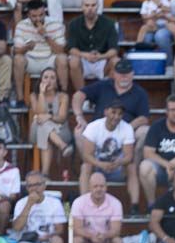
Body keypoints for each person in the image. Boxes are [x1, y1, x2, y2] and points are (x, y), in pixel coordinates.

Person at [74, 62, 152, 202]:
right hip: (97, 134)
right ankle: (84, 202)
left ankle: (134, 202)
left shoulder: (140, 92)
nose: (124, 77)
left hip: (125, 138)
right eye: (121, 74)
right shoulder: (103, 86)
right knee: (79, 132)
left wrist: (124, 127)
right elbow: (78, 95)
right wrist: (79, 116)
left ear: (132, 74)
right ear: (114, 74)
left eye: (127, 74)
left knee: (144, 133)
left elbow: (144, 118)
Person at [80, 99, 139, 207]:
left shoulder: (127, 128)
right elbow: (86, 155)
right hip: (97, 168)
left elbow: (129, 156)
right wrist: (100, 164)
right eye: (113, 112)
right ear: (106, 112)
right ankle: (84, 204)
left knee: (132, 167)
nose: (116, 117)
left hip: (117, 167)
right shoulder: (93, 127)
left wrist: (118, 163)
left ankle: (134, 206)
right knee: (85, 166)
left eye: (120, 114)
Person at [11, 171, 66, 243]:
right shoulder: (21, 203)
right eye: (30, 186)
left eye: (37, 184)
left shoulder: (54, 203)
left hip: (48, 239)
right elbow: (17, 228)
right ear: (26, 188)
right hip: (28, 240)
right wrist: (29, 204)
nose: (34, 188)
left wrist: (49, 236)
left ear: (44, 185)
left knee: (57, 241)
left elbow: (60, 229)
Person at [14, 0, 68, 96]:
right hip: (31, 60)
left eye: (41, 15)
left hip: (49, 59)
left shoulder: (55, 24)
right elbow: (16, 51)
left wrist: (46, 36)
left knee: (63, 59)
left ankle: (63, 95)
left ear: (45, 12)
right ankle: (20, 99)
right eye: (34, 16)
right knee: (18, 59)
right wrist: (26, 47)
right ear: (28, 15)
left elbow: (60, 50)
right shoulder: (21, 25)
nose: (38, 19)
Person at [72, 170, 124, 243]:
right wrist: (91, 236)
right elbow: (77, 229)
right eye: (95, 186)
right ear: (89, 188)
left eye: (101, 186)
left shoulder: (115, 203)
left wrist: (104, 236)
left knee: (118, 242)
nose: (99, 189)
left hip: (106, 239)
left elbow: (116, 230)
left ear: (106, 187)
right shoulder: (79, 202)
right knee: (76, 242)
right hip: (86, 239)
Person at [29, 66, 73, 178]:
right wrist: (42, 94)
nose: (49, 80)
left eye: (52, 78)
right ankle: (63, 147)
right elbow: (39, 112)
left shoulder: (63, 96)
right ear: (41, 80)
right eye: (46, 77)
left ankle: (45, 174)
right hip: (36, 131)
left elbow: (62, 118)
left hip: (61, 131)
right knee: (41, 123)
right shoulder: (34, 96)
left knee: (44, 131)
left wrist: (48, 116)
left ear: (57, 82)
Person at [67, 0, 119, 88]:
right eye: (87, 5)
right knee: (73, 61)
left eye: (93, 5)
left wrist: (100, 56)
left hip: (102, 59)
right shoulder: (74, 24)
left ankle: (106, 96)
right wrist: (85, 55)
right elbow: (71, 48)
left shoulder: (109, 23)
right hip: (83, 60)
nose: (90, 8)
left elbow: (114, 50)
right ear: (82, 7)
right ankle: (82, 96)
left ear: (98, 6)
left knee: (116, 61)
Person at [138, 0, 175, 66]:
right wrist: (153, 16)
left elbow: (169, 10)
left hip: (165, 24)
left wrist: (159, 5)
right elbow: (144, 18)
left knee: (171, 30)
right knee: (144, 31)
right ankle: (138, 48)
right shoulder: (146, 3)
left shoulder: (164, 0)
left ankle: (170, 63)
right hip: (153, 25)